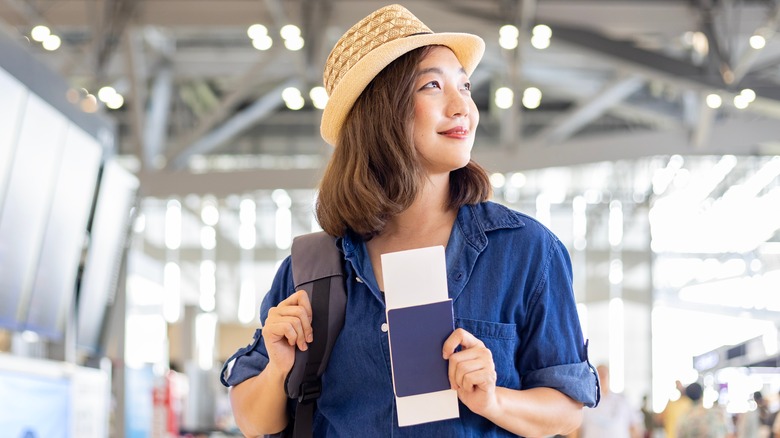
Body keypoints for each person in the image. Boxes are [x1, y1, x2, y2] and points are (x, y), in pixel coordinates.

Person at [220, 3, 599, 437]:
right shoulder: (313, 270)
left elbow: (568, 408)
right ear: (382, 112)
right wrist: (279, 370)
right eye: (433, 86)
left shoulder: (527, 252)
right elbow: (252, 420)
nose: (463, 107)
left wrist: (493, 400)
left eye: (465, 85)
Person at [567, 364, 643, 438]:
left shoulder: (623, 401)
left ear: (609, 376)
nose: (602, 377)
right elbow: (574, 429)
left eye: (604, 374)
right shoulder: (585, 401)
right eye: (599, 374)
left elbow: (635, 427)